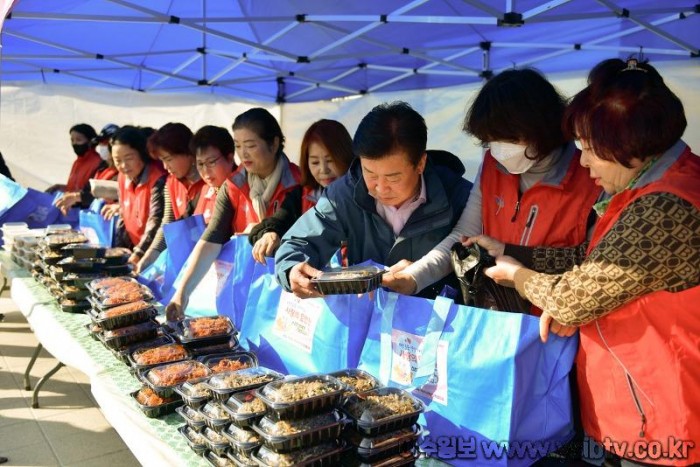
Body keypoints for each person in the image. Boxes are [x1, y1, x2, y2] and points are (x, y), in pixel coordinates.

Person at [485, 58, 700, 466]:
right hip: (650, 408)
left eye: (588, 150)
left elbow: (572, 300)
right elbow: (594, 261)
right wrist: (515, 253)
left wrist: (518, 275)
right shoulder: (655, 185)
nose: (582, 163)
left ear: (628, 147)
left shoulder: (666, 206)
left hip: (667, 421)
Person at [383, 68, 600, 313]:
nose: (499, 150)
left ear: (543, 128)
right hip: (497, 319)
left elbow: (594, 268)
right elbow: (463, 235)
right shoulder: (492, 166)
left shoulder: (593, 177)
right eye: (490, 140)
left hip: (559, 320)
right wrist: (414, 277)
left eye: (509, 139)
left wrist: (568, 310)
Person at [274, 101, 472, 300]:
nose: (380, 187)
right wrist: (291, 268)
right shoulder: (345, 193)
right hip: (369, 318)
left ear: (420, 163)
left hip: (438, 322)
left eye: (393, 177)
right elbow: (301, 240)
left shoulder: (459, 196)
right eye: (370, 173)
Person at [165, 108, 300, 320]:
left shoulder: (298, 183)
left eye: (251, 146)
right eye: (238, 146)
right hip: (245, 288)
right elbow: (211, 239)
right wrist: (182, 293)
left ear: (273, 144)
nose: (243, 154)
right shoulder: (232, 186)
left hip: (286, 293)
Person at [248, 119, 355, 264]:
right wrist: (270, 233)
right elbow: (277, 221)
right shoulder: (300, 196)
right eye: (315, 162)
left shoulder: (364, 193)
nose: (323, 170)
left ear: (345, 156)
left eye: (330, 160)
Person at [136, 123, 205, 273]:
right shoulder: (171, 182)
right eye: (162, 160)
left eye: (169, 159)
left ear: (188, 152)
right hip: (185, 261)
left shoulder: (210, 181)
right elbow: (167, 222)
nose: (166, 167)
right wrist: (150, 254)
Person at [102, 126, 167, 267]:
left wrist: (138, 254)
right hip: (137, 251)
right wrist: (118, 253)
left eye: (129, 158)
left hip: (156, 256)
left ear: (142, 154)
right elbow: (124, 216)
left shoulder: (158, 179)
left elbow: (155, 222)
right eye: (117, 160)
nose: (124, 166)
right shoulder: (122, 177)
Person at [54, 123, 120, 214]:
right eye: (101, 144)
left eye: (106, 144)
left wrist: (77, 197)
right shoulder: (102, 167)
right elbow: (89, 189)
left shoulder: (121, 170)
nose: (103, 147)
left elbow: (114, 192)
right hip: (94, 216)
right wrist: (70, 195)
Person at [190, 125, 237, 224]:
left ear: (230, 158)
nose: (205, 171)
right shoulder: (204, 191)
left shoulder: (243, 191)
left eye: (211, 162)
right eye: (200, 164)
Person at [46, 123, 102, 194]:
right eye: (72, 140)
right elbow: (73, 188)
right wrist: (59, 187)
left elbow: (92, 192)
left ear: (90, 141)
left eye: (78, 140)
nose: (74, 143)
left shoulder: (98, 162)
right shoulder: (77, 162)